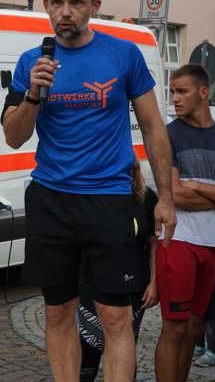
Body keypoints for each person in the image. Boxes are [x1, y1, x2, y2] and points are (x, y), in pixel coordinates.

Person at [0, 0, 175, 382]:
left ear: (94, 6)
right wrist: (33, 95)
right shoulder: (30, 62)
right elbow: (13, 136)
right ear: (46, 6)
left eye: (76, 3)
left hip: (108, 198)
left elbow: (153, 126)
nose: (66, 12)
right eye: (57, 2)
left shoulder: (123, 55)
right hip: (50, 198)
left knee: (115, 316)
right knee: (59, 311)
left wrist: (165, 198)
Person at [155, 64, 215, 381]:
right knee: (174, 328)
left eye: (182, 91)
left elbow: (186, 190)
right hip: (178, 240)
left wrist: (194, 185)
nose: (175, 99)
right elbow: (175, 195)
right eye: (173, 92)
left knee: (194, 328)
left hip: (214, 243)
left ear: (203, 92)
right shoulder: (168, 135)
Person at [77, 161, 159, 381]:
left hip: (136, 286)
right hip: (93, 283)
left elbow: (154, 245)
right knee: (90, 349)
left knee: (126, 345)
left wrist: (154, 283)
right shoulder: (93, 195)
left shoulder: (147, 198)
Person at [193, 257, 215, 367]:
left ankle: (214, 352)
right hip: (202, 279)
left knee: (210, 317)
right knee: (198, 315)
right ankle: (199, 347)